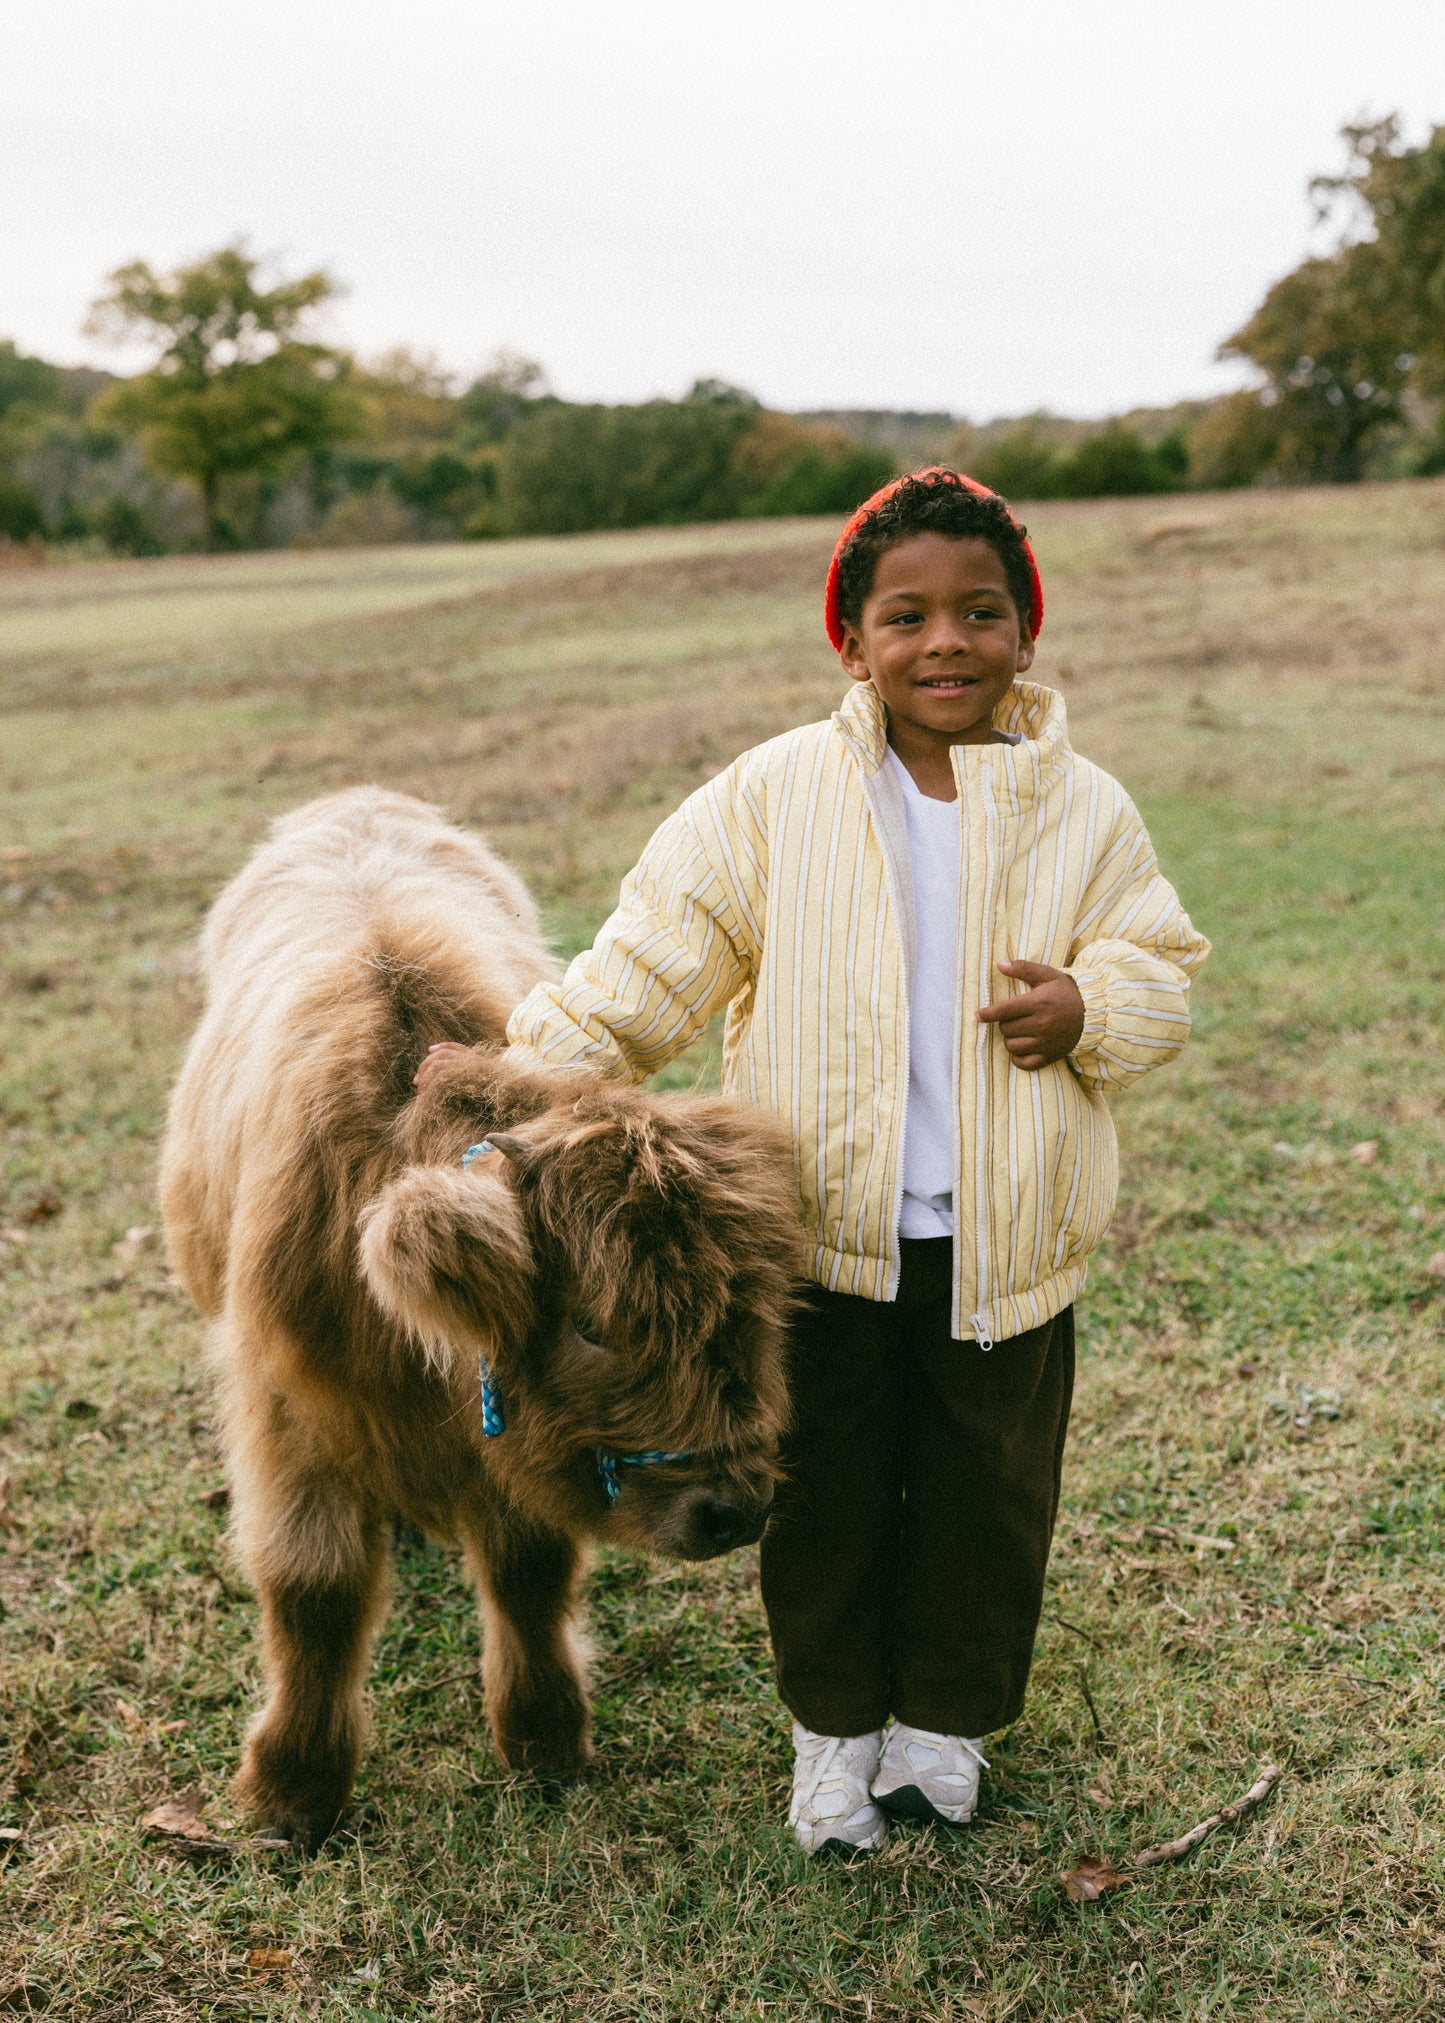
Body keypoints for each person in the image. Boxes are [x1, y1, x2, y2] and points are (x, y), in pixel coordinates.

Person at [418, 466, 1210, 1856]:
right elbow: (647, 964)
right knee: (825, 1497)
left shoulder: (1083, 809)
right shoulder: (771, 798)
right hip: (817, 1250)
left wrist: (1093, 1005)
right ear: (851, 642)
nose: (944, 643)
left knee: (986, 1496)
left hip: (1004, 1247)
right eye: (905, 616)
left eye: (979, 611)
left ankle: (942, 1731)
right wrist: (511, 1098)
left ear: (1025, 629)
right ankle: (833, 1740)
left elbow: (1159, 967)